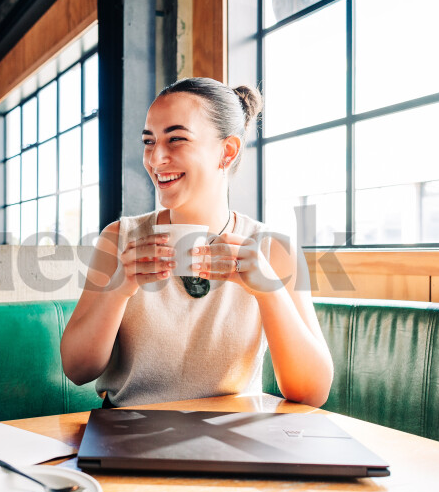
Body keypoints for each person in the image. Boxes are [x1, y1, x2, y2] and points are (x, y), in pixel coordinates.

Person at [61, 77, 333, 408]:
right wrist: (119, 289)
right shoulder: (120, 239)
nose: (155, 158)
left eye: (176, 139)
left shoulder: (275, 250)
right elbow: (77, 369)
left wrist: (269, 292)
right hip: (127, 434)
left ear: (227, 151)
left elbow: (311, 394)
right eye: (149, 142)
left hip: (233, 437)